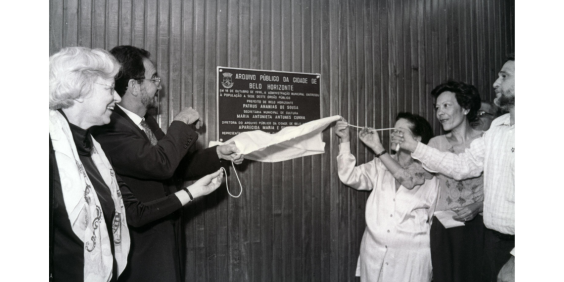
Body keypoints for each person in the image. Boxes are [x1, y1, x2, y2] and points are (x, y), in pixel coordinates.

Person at [48, 47, 225, 281]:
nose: (117, 97)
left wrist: (197, 186)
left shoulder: (92, 148)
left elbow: (134, 212)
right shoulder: (68, 145)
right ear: (81, 91)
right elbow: (161, 164)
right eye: (110, 89)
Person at [91, 45, 243, 282]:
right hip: (141, 249)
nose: (159, 85)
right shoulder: (111, 128)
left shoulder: (146, 122)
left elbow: (176, 166)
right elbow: (160, 164)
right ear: (134, 85)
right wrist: (180, 123)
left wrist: (219, 154)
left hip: (165, 237)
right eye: (153, 79)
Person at [392, 53, 516, 282]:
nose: (495, 83)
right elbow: (461, 165)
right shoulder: (497, 128)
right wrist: (413, 147)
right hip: (490, 240)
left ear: (466, 108)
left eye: (504, 76)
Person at [335, 113, 439, 282]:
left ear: (417, 139)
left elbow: (433, 220)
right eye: (393, 130)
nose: (393, 135)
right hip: (374, 254)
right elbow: (348, 175)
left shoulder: (429, 170)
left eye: (400, 131)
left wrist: (378, 148)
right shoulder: (380, 164)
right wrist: (345, 140)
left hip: (411, 261)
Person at [427, 80, 485, 282]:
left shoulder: (486, 140)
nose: (440, 112)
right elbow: (412, 178)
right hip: (445, 228)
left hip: (482, 227)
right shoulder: (436, 144)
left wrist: (478, 207)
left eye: (446, 106)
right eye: (437, 108)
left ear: (466, 108)